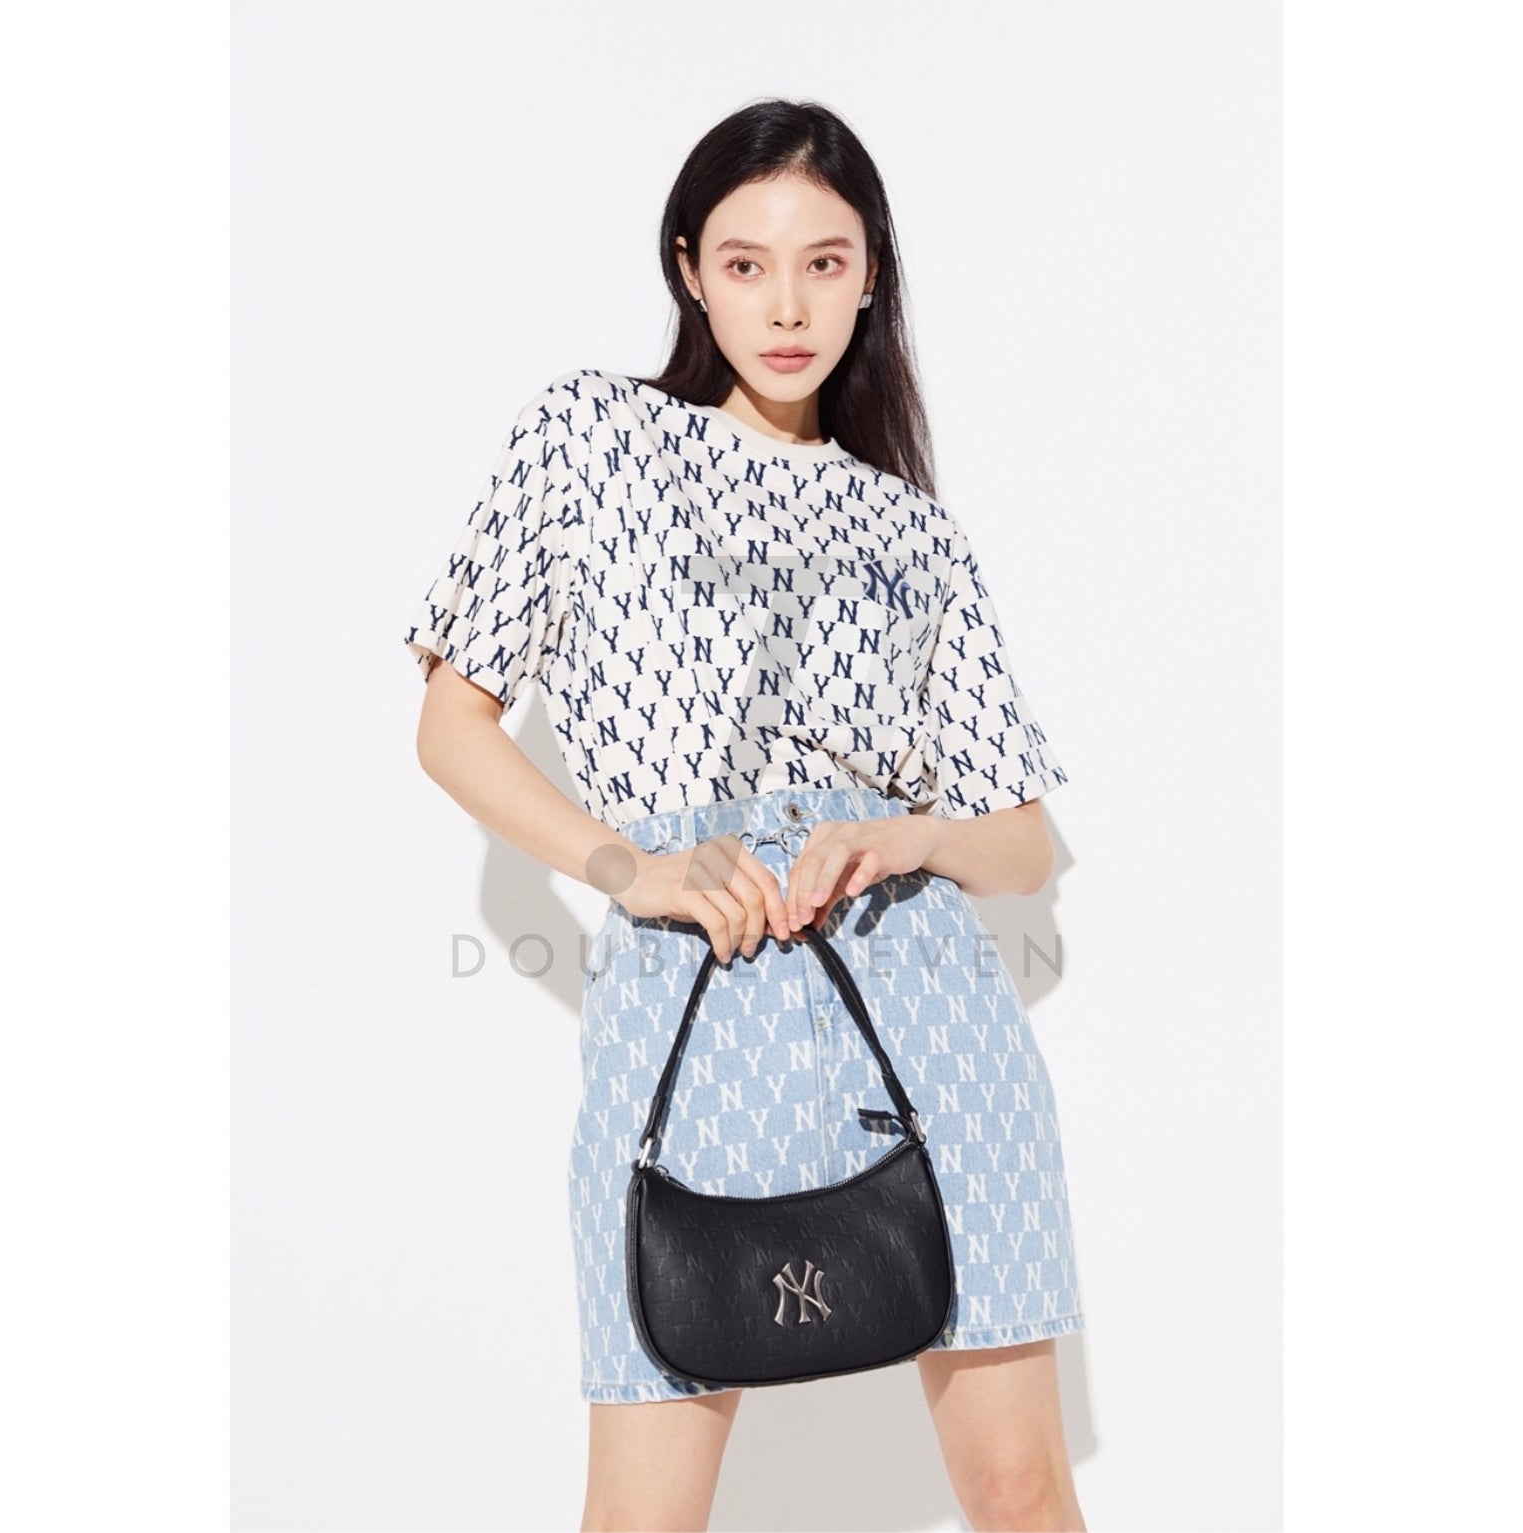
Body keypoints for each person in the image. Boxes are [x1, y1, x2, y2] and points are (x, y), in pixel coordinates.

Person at [404, 98, 1088, 1533]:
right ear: (689, 272)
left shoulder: (911, 528)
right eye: (745, 263)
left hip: (929, 1016)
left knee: (1020, 1492)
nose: (786, 307)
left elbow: (1022, 845)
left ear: (871, 275)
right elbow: (449, 726)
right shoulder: (590, 437)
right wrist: (626, 867)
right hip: (690, 1014)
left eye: (824, 264)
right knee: (643, 1514)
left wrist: (910, 835)